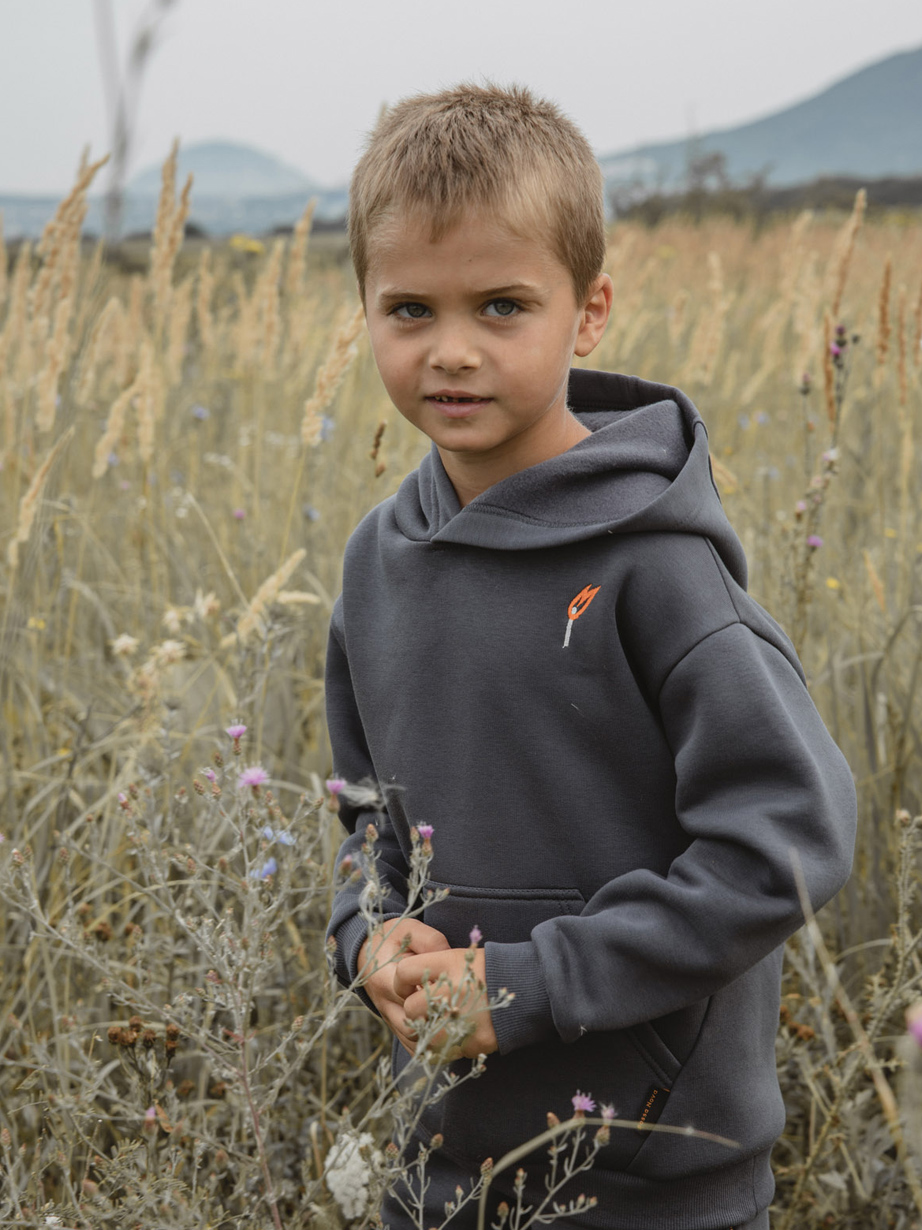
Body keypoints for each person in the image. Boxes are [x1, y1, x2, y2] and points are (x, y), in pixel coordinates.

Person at [324, 82, 856, 1230]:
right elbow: (365, 816)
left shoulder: (656, 569)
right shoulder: (377, 562)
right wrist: (368, 937)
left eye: (502, 305)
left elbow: (788, 842)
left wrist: (525, 986)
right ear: (362, 308)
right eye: (409, 309)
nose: (451, 351)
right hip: (447, 1169)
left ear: (590, 310)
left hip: (658, 1182)